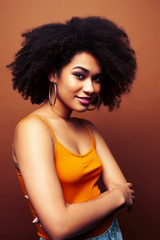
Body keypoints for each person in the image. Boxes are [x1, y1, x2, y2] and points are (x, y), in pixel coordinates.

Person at [7, 16, 136, 240]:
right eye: (79, 75)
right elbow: (60, 227)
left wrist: (76, 211)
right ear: (53, 74)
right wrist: (116, 197)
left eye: (97, 79)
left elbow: (124, 189)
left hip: (113, 233)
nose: (90, 88)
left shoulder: (88, 128)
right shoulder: (33, 130)